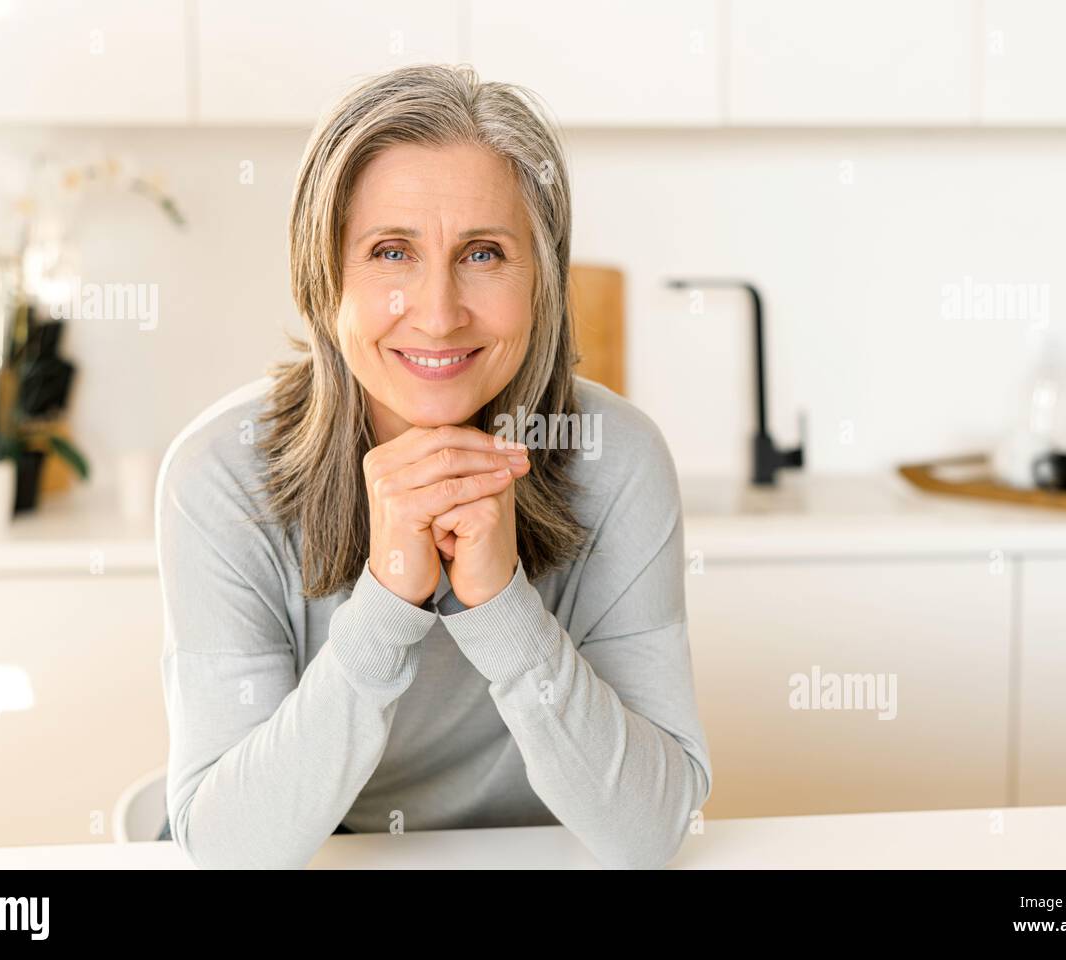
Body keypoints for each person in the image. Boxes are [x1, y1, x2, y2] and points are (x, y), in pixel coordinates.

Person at [156, 63, 711, 869]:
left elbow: (652, 831)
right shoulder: (219, 476)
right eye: (390, 252)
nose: (441, 312)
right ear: (323, 282)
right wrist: (385, 605)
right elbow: (230, 849)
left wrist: (503, 606)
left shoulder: (617, 459)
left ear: (542, 281)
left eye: (484, 253)